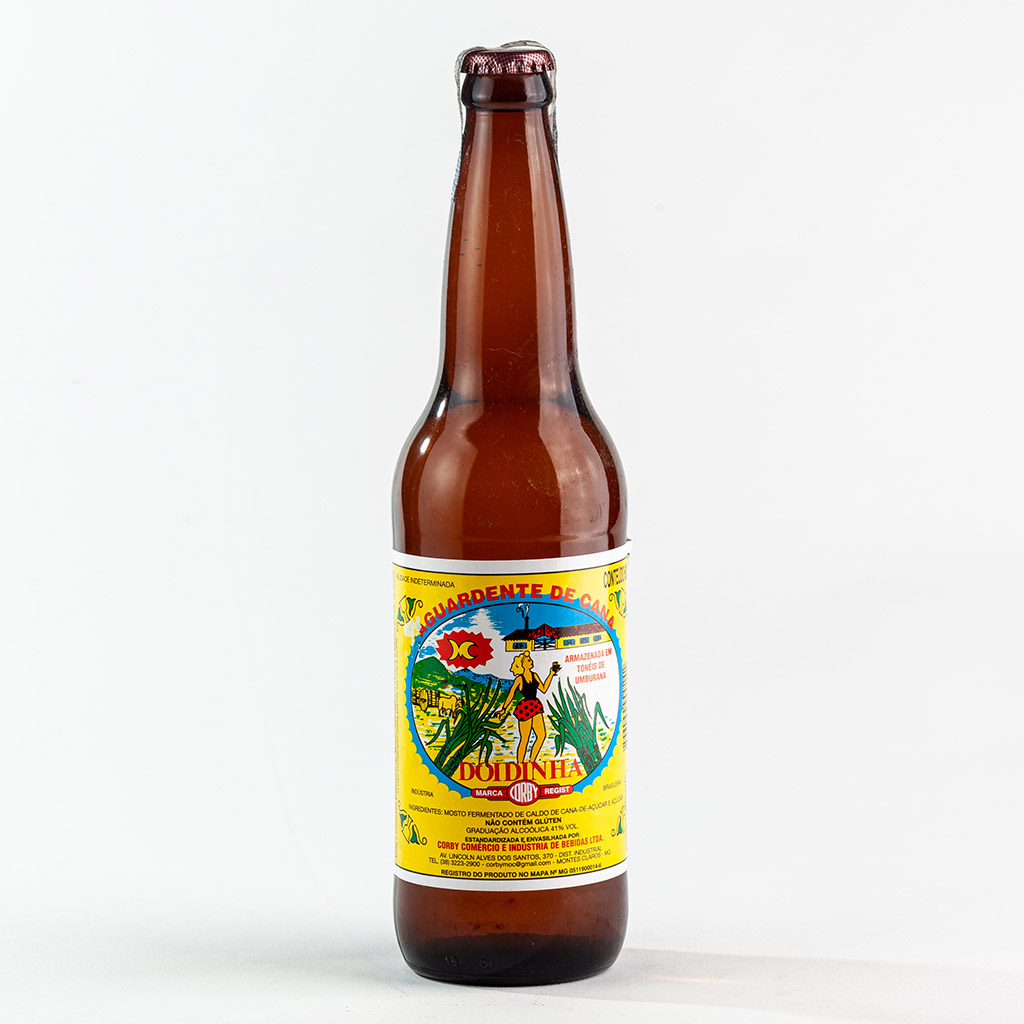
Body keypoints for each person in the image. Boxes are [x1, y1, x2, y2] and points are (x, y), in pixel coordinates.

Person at [497, 651, 560, 763]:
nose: (531, 661)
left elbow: (544, 689)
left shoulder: (535, 675)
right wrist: (504, 709)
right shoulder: (519, 679)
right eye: (528, 660)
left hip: (535, 706)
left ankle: (531, 762)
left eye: (530, 660)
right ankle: (520, 764)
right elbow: (511, 694)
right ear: (522, 664)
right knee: (525, 739)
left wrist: (551, 674)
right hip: (525, 708)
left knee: (541, 735)